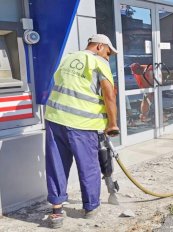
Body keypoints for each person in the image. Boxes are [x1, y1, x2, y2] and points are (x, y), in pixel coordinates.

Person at [44, 34, 119, 228]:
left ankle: (57, 210)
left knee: (57, 164)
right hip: (82, 123)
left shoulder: (68, 58)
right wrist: (112, 123)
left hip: (55, 119)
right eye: (108, 53)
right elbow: (109, 95)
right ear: (99, 47)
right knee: (89, 166)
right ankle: (91, 207)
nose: (107, 58)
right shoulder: (98, 62)